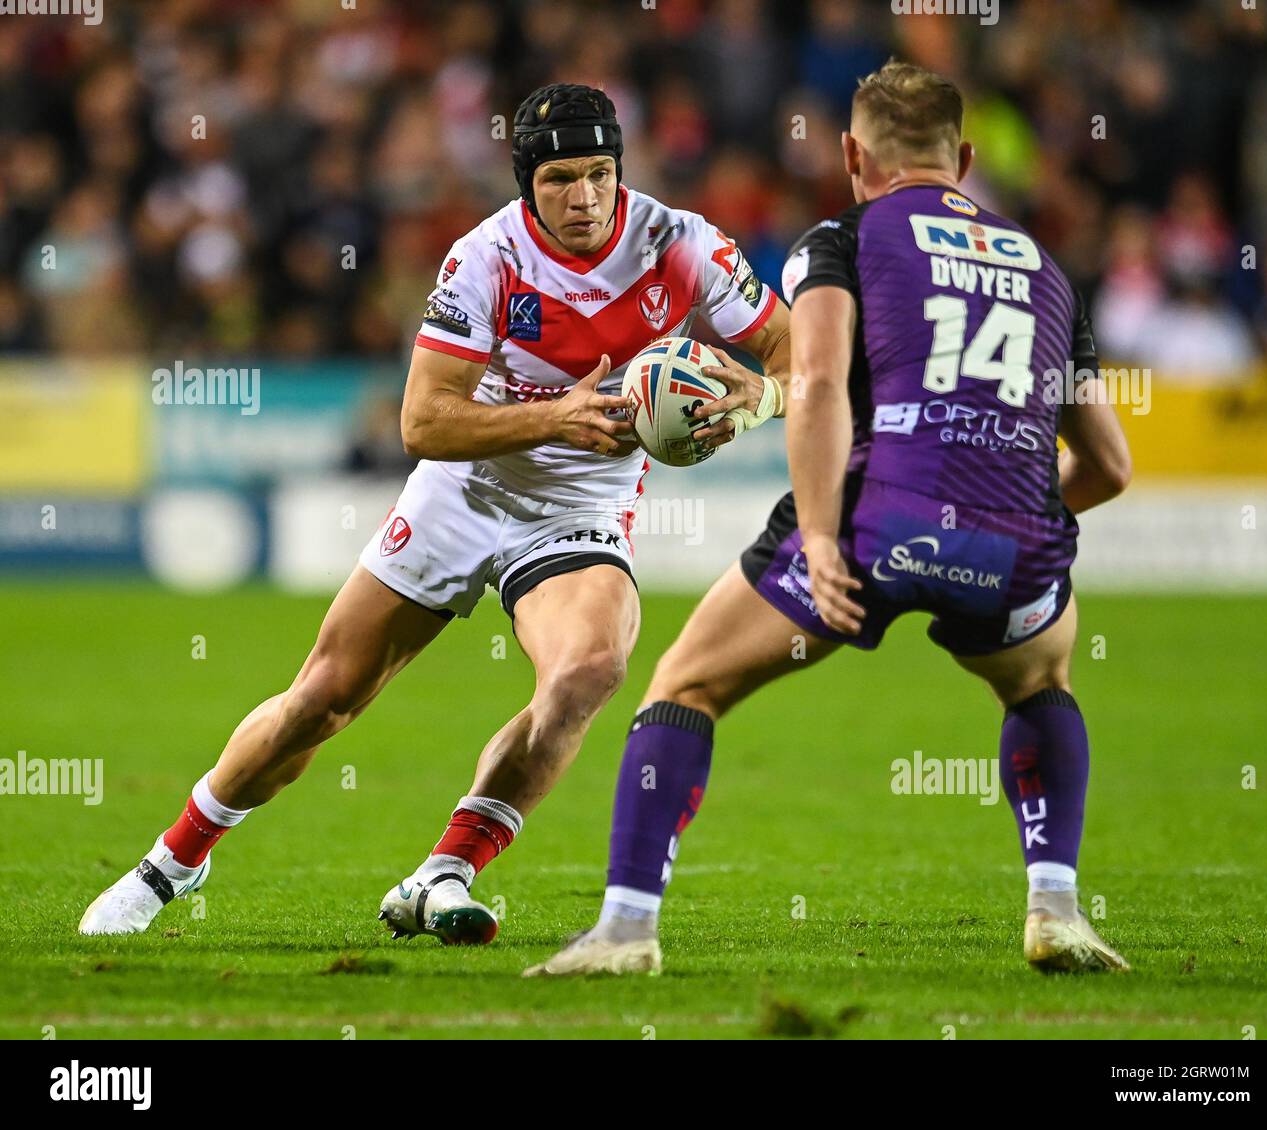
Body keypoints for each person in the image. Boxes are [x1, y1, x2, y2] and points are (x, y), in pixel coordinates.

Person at [80, 84, 790, 942]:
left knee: (589, 668)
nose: (586, 198)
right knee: (324, 700)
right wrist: (557, 414)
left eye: (601, 174)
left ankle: (443, 870)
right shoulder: (484, 258)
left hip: (581, 499)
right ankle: (175, 861)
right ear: (528, 181)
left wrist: (765, 396)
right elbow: (424, 421)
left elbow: (792, 347)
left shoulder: (678, 244)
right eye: (562, 178)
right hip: (467, 484)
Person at [527, 61, 1133, 978]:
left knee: (684, 686)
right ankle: (1056, 910)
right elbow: (1112, 467)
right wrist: (1009, 507)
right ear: (964, 158)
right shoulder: (1047, 269)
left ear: (853, 155)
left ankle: (626, 930)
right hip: (1016, 535)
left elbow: (814, 386)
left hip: (868, 527)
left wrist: (819, 538)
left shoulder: (842, 238)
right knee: (1043, 684)